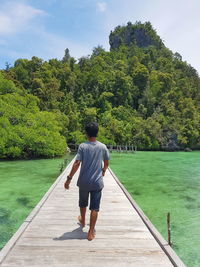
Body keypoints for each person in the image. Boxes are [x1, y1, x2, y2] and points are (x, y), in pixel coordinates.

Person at [64, 122, 110, 241]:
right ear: (97, 133)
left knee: (83, 202)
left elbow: (77, 163)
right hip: (97, 182)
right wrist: (103, 170)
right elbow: (106, 162)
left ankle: (83, 221)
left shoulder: (83, 146)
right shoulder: (103, 147)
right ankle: (90, 232)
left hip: (84, 181)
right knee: (95, 208)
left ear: (86, 133)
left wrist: (69, 179)